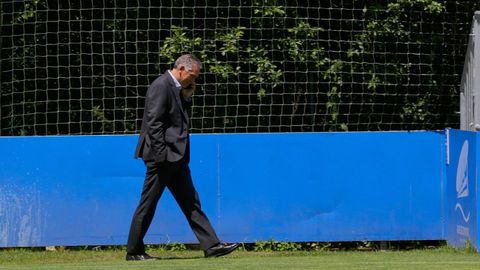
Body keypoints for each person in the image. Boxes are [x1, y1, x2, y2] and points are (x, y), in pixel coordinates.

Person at [126, 54, 239, 261]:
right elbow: (154, 124)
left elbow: (177, 117)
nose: (194, 81)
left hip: (176, 157)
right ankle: (134, 251)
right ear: (181, 69)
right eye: (192, 76)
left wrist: (187, 96)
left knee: (191, 202)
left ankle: (212, 245)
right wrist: (161, 157)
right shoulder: (161, 85)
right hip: (162, 157)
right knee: (148, 204)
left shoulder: (177, 88)